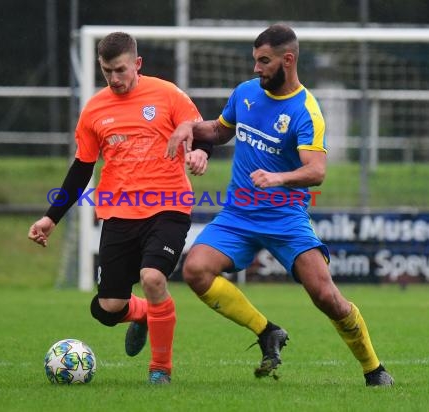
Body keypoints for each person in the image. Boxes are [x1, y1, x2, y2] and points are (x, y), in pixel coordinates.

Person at [165, 23, 394, 386]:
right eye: (255, 60)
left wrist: (279, 178)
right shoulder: (245, 93)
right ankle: (267, 331)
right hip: (238, 213)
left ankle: (374, 369)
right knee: (195, 270)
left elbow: (316, 171)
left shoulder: (306, 110)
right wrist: (188, 128)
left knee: (325, 296)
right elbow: (221, 132)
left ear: (288, 60)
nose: (256, 68)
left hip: (285, 217)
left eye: (264, 61)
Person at [28, 32, 211, 384]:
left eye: (121, 70)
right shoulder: (95, 109)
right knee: (107, 309)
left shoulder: (167, 94)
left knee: (153, 278)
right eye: (107, 71)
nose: (114, 78)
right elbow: (82, 168)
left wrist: (202, 151)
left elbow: (200, 132)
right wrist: (52, 217)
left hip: (168, 206)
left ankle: (160, 370)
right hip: (118, 214)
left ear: (137, 64)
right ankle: (144, 314)